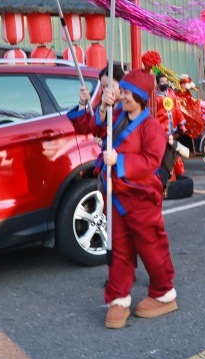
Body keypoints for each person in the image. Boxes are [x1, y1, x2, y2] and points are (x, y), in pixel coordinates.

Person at [71, 69, 176, 329]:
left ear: (140, 97)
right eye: (123, 92)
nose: (123, 96)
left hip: (141, 197)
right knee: (118, 248)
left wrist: (119, 160)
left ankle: (164, 292)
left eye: (127, 93)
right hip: (115, 195)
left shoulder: (151, 126)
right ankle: (118, 297)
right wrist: (90, 104)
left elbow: (151, 162)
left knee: (150, 245)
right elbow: (90, 126)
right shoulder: (115, 115)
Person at [155, 72, 188, 179]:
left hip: (171, 127)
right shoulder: (154, 97)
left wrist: (181, 124)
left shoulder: (171, 93)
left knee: (173, 151)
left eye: (166, 82)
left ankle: (176, 173)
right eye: (162, 82)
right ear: (157, 84)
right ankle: (168, 174)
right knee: (165, 152)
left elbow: (176, 109)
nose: (165, 84)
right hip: (161, 129)